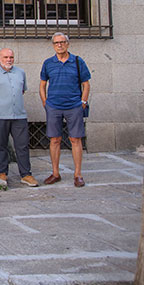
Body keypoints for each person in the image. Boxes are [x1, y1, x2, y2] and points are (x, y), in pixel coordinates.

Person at [0, 48, 38, 187]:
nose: (9, 60)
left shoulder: (20, 73)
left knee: (22, 145)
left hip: (19, 115)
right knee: (1, 145)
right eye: (5, 57)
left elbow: (22, 90)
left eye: (11, 57)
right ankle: (2, 172)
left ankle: (26, 174)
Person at [39, 32, 91, 188]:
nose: (59, 45)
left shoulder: (77, 61)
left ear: (68, 44)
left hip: (74, 106)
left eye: (62, 42)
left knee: (76, 139)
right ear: (53, 45)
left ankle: (78, 174)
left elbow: (86, 83)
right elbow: (42, 85)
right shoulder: (48, 63)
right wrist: (45, 102)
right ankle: (55, 173)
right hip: (54, 106)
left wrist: (83, 101)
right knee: (54, 140)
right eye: (56, 43)